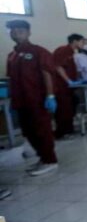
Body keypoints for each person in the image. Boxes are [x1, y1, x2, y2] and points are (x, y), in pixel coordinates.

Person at [5, 20, 59, 176]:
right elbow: (10, 79)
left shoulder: (38, 52)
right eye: (13, 31)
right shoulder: (12, 56)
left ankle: (50, 160)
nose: (16, 33)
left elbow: (47, 73)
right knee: (28, 132)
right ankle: (42, 158)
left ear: (29, 32)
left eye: (20, 30)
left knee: (42, 131)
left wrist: (50, 96)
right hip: (20, 101)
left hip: (37, 100)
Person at [52, 33, 84, 139]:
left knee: (70, 106)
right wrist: (68, 81)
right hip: (60, 86)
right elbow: (58, 67)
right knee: (63, 109)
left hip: (68, 87)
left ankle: (68, 130)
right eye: (81, 41)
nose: (83, 44)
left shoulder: (72, 53)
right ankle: (63, 133)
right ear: (74, 41)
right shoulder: (63, 50)